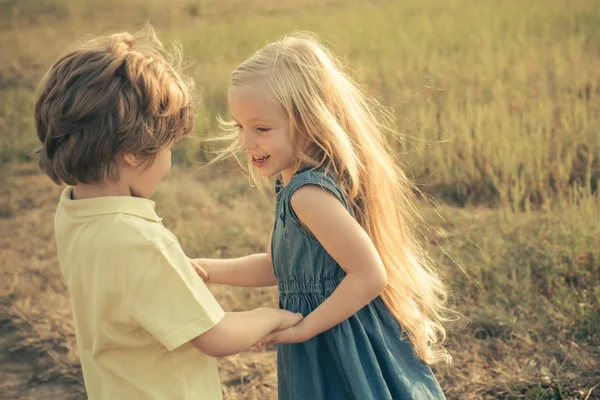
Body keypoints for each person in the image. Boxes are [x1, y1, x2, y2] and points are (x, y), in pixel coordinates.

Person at [34, 27, 302, 400]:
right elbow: (218, 336)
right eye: (169, 147)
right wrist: (271, 317)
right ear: (133, 150)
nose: (168, 162)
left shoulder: (74, 212)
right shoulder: (140, 243)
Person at [193, 33, 452, 399]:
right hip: (329, 335)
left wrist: (305, 329)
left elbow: (369, 274)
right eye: (240, 126)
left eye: (261, 128)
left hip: (341, 344)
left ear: (309, 122)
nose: (246, 142)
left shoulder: (308, 194)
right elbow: (281, 266)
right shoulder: (294, 186)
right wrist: (204, 268)